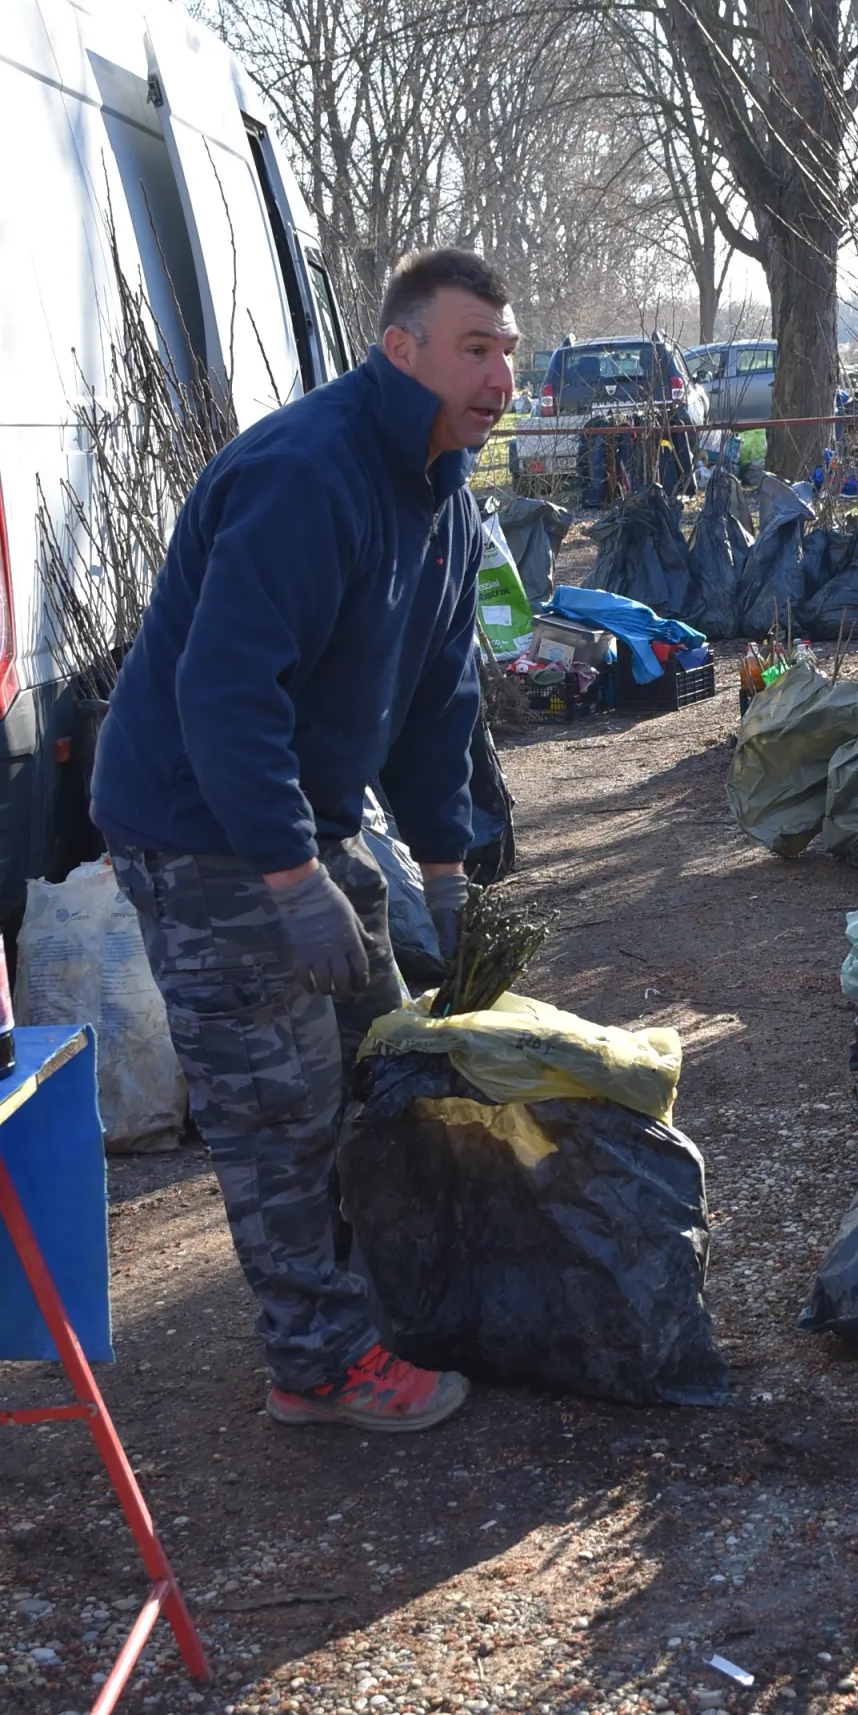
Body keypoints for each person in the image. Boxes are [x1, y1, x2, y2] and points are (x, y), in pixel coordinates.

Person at [91, 248, 518, 1434]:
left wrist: (441, 870)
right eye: (474, 348)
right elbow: (225, 695)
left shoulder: (446, 497)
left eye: (507, 353)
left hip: (306, 819)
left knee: (373, 1055)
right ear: (402, 349)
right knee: (274, 1099)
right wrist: (289, 877)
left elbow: (439, 702)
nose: (497, 376)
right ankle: (317, 1368)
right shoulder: (304, 473)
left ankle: (361, 1304)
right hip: (195, 820)